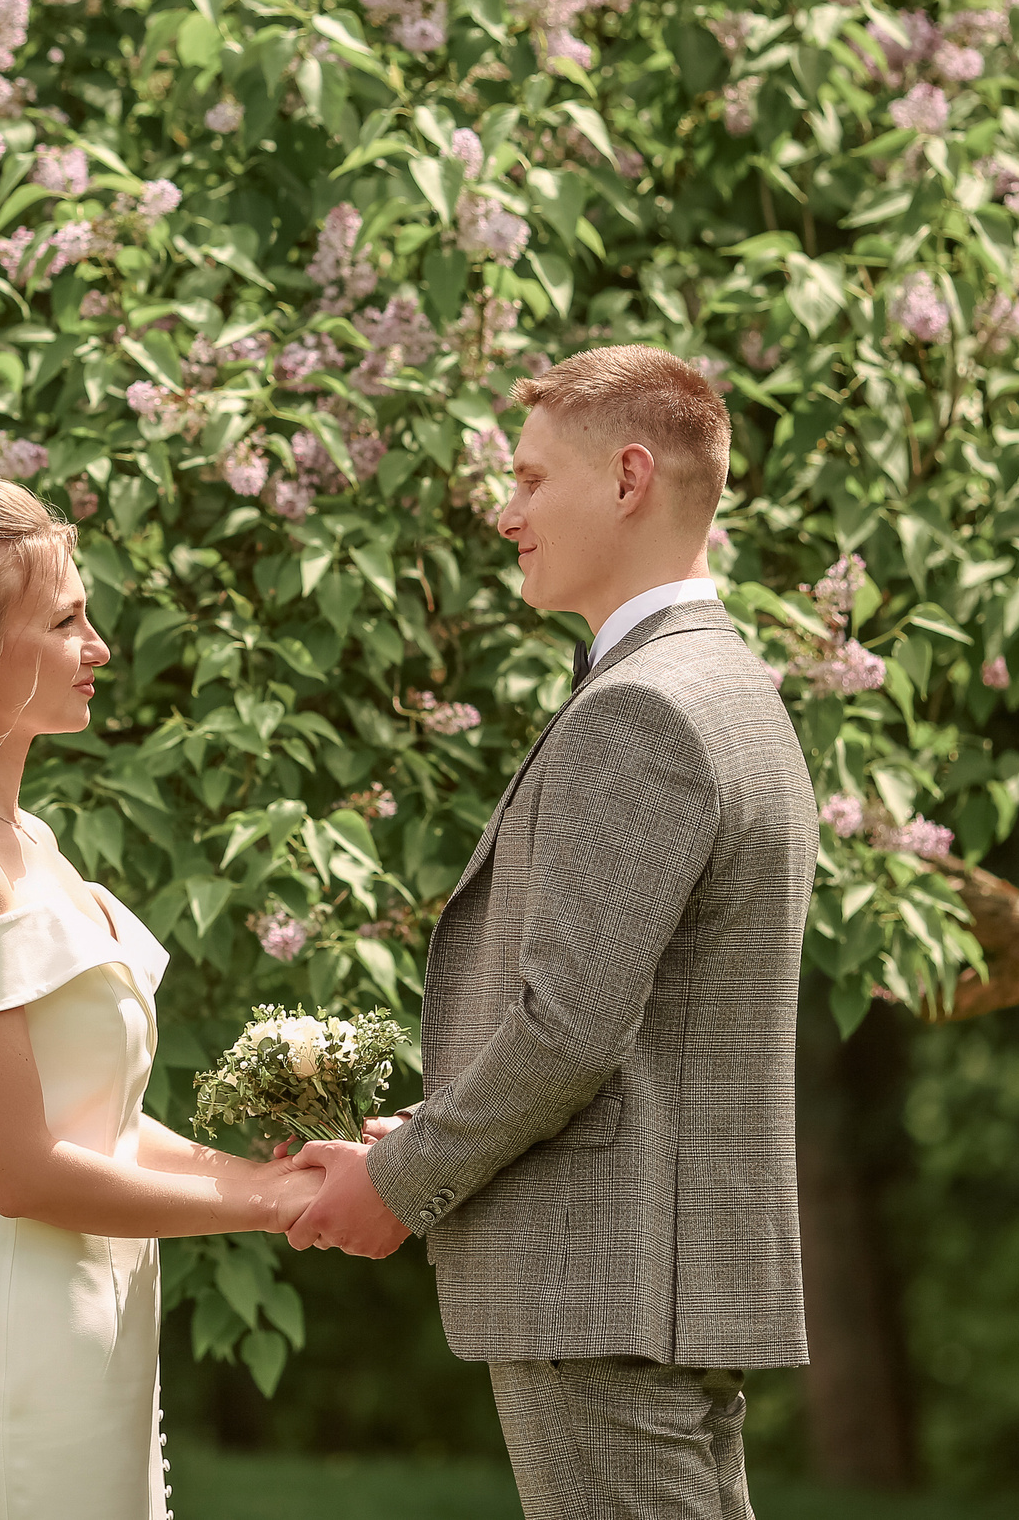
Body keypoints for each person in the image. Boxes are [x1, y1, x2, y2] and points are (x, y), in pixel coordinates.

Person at [284, 345, 819, 1520]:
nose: (505, 512)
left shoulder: (641, 707)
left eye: (529, 479)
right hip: (648, 1286)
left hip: (601, 1284)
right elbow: (636, 1018)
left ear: (628, 478)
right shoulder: (729, 687)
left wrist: (400, 1181)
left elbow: (567, 1032)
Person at [0, 477, 319, 1520]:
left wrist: (279, 1177)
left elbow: (103, 1128)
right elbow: (25, 1173)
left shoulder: (26, 843)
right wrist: (273, 1205)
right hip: (20, 1363)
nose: (99, 647)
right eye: (64, 621)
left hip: (97, 1345)